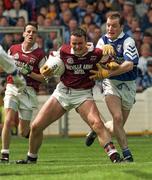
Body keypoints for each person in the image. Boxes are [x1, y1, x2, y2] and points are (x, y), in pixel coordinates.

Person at [16, 27, 122, 164]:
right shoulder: (64, 50)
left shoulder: (96, 52)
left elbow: (112, 64)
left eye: (80, 43)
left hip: (83, 95)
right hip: (63, 92)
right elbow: (49, 66)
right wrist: (47, 70)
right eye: (74, 44)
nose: (77, 47)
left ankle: (115, 158)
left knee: (97, 124)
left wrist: (111, 60)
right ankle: (31, 159)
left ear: (86, 42)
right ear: (70, 42)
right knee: (36, 126)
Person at [85, 12, 139, 162]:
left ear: (121, 27)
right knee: (117, 117)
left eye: (114, 26)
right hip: (111, 84)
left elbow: (129, 65)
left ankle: (97, 129)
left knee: (117, 126)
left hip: (129, 85)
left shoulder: (128, 41)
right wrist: (103, 60)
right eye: (108, 25)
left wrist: (109, 71)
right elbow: (96, 63)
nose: (110, 28)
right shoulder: (102, 41)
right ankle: (127, 154)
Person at [0, 22, 46, 163]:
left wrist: (29, 72)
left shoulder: (40, 54)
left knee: (23, 131)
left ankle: (35, 135)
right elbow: (4, 65)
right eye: (29, 31)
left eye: (34, 32)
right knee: (8, 120)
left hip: (29, 91)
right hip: (12, 87)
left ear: (37, 35)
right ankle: (5, 155)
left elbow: (44, 79)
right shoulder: (13, 49)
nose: (31, 34)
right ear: (24, 33)